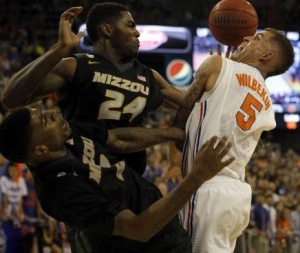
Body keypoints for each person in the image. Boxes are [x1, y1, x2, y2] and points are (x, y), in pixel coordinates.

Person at [0, 107, 234, 253]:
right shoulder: (60, 191)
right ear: (40, 150)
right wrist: (197, 177)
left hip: (167, 231)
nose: (53, 113)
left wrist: (170, 133)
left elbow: (115, 139)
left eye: (43, 111)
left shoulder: (67, 134)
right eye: (44, 121)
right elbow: (137, 228)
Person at [1, 3, 184, 175]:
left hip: (130, 181)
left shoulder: (149, 76)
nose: (137, 33)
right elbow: (10, 98)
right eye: (130, 25)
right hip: (81, 179)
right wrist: (60, 49)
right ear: (107, 29)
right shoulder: (76, 66)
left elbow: (191, 104)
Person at [173, 29, 295, 253]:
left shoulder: (218, 66)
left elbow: (181, 113)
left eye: (257, 38)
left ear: (266, 56)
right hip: (236, 196)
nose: (245, 38)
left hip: (208, 187)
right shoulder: (267, 100)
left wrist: (223, 67)